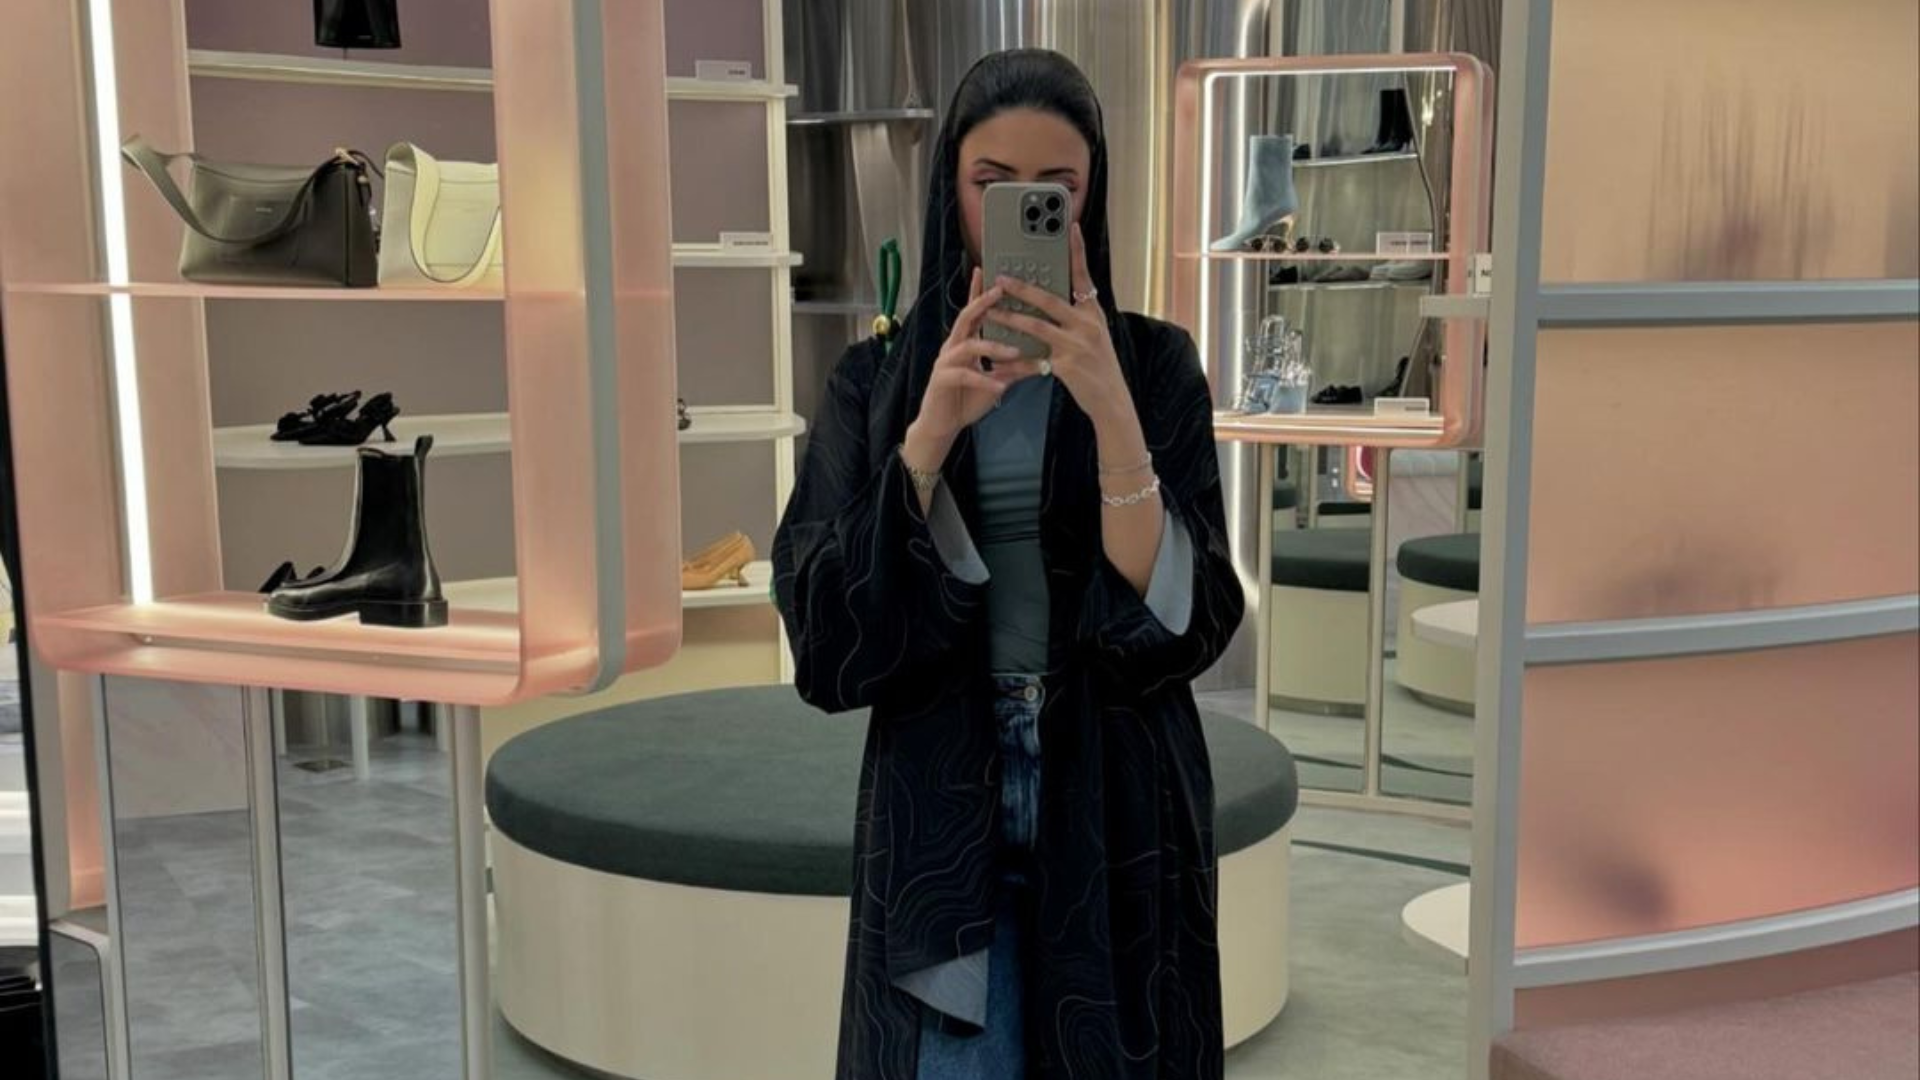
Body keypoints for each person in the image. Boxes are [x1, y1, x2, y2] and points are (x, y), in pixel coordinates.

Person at [773, 49, 1243, 1080]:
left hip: (1117, 788)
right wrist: (928, 437)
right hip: (942, 788)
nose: (1025, 209)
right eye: (994, 184)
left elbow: (1196, 620)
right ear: (952, 189)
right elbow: (824, 639)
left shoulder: (1154, 366)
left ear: (1090, 196)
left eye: (1055, 188)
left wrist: (1114, 416)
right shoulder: (877, 380)